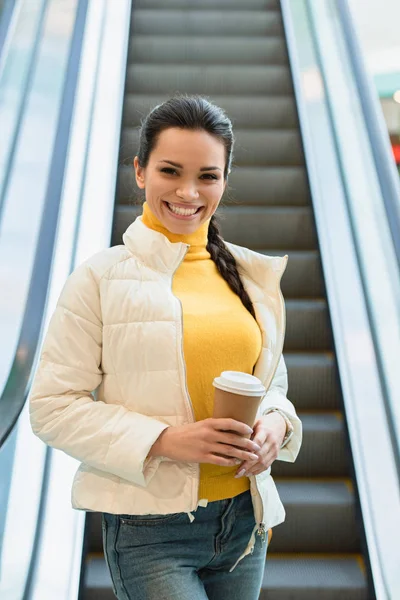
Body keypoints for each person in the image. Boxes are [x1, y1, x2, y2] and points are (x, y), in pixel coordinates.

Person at [29, 94, 302, 600]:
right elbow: (50, 407)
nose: (188, 192)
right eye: (170, 171)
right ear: (139, 170)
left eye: (207, 176)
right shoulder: (100, 278)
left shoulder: (247, 277)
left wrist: (277, 425)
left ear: (224, 179)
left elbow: (273, 383)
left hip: (247, 522)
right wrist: (164, 440)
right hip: (150, 530)